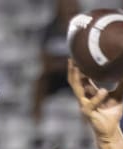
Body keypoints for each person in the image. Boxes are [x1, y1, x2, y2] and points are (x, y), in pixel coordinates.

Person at [31, 0, 80, 138]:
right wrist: (65, 62)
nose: (69, 8)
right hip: (53, 75)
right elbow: (44, 57)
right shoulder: (49, 30)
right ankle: (36, 128)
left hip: (74, 75)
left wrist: (64, 62)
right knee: (40, 83)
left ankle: (86, 131)